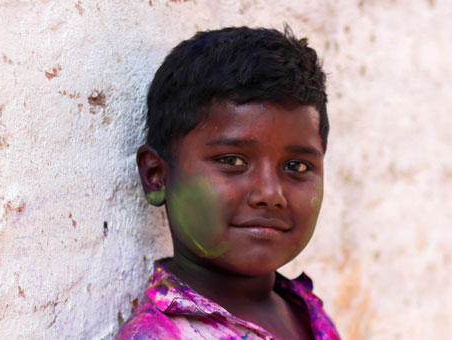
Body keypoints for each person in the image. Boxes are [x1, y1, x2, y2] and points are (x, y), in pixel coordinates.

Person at [116, 26, 340, 340]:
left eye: (296, 166)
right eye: (232, 161)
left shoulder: (304, 310)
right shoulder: (160, 336)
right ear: (156, 175)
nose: (270, 194)